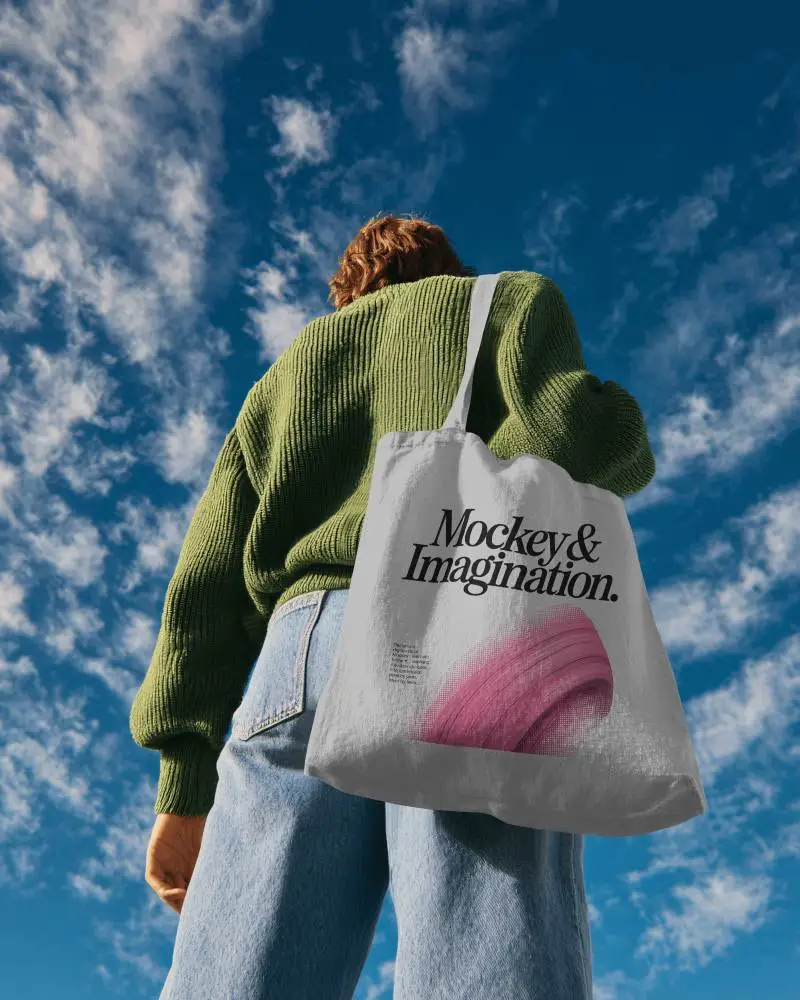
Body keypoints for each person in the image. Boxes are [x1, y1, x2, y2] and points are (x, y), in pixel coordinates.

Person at [131, 213, 656, 999]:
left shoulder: (290, 370)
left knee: (237, 977)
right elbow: (580, 435)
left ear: (350, 284)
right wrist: (620, 425)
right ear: (446, 263)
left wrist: (184, 781)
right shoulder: (504, 304)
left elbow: (206, 580)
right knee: (486, 951)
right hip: (461, 632)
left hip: (299, 652)